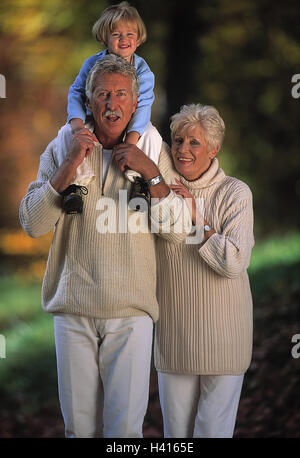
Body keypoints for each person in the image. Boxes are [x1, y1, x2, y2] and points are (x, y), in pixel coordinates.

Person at [19, 55, 189, 438]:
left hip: (131, 312)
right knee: (78, 429)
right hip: (73, 310)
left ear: (135, 102)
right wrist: (67, 168)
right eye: (103, 94)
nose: (112, 104)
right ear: (89, 100)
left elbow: (178, 231)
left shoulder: (151, 148)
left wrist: (152, 172)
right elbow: (32, 223)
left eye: (121, 95)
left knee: (124, 432)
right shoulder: (63, 145)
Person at [152, 104, 255, 438]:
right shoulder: (159, 194)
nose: (183, 149)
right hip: (174, 336)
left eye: (194, 142)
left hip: (225, 340)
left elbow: (233, 263)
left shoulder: (235, 193)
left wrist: (197, 218)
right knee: (176, 438)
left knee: (212, 432)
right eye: (178, 140)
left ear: (214, 149)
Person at [63, 1, 157, 204]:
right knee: (72, 137)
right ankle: (75, 185)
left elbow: (144, 104)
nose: (124, 39)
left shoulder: (143, 72)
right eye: (116, 35)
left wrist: (131, 140)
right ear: (105, 38)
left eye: (130, 34)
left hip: (131, 123)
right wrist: (78, 125)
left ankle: (140, 183)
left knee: (151, 136)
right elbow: (76, 93)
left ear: (139, 40)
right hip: (97, 119)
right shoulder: (91, 64)